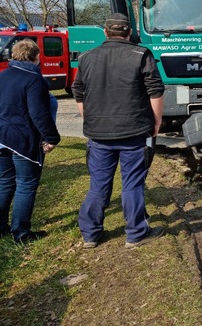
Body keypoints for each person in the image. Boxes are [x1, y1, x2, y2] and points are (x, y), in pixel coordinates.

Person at [73, 13, 166, 249]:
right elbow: (155, 91)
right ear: (128, 33)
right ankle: (135, 233)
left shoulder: (86, 58)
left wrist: (91, 120)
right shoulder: (141, 55)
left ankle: (90, 234)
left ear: (105, 32)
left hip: (99, 134)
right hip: (134, 132)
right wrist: (156, 123)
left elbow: (78, 93)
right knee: (132, 184)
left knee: (98, 184)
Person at [0, 39, 60, 243]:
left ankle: (1, 227)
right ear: (37, 57)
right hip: (23, 140)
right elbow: (39, 114)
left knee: (4, 183)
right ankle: (21, 233)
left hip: (1, 138)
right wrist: (52, 138)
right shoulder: (34, 79)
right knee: (26, 184)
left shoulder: (3, 75)